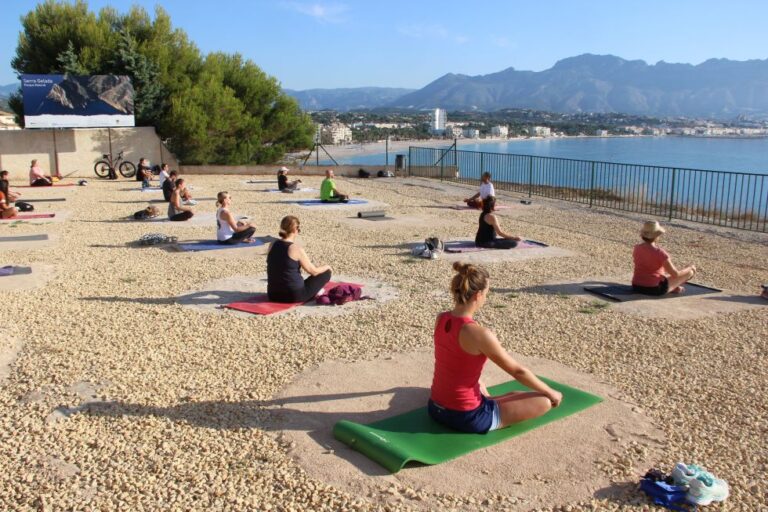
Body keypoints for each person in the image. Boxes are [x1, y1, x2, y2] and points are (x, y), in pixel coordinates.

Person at [428, 262, 562, 434]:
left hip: (435, 408)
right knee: (543, 401)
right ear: (478, 295)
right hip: (468, 417)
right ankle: (488, 407)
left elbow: (454, 357)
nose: (486, 297)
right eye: (487, 293)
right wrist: (551, 392)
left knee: (512, 393)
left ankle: (486, 399)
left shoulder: (441, 318)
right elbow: (517, 371)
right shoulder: (479, 334)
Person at [267, 215, 332, 303]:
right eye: (298, 229)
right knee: (326, 273)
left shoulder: (272, 244)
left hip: (273, 295)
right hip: (294, 295)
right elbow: (313, 271)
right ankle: (314, 292)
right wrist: (327, 267)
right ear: (295, 229)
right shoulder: (296, 249)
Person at [632, 221, 696, 295]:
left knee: (663, 274)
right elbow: (675, 274)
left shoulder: (637, 248)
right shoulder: (660, 253)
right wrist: (689, 267)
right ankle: (673, 287)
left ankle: (673, 287)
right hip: (654, 289)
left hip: (636, 286)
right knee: (690, 272)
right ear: (657, 236)